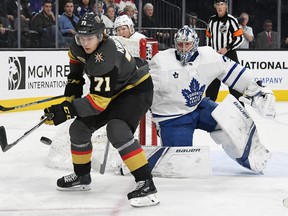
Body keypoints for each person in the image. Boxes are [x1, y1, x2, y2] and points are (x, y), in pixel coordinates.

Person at [41, 12, 159, 208]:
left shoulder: (105, 56)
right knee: (78, 130)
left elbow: (98, 103)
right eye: (81, 38)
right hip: (111, 90)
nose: (85, 43)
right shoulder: (78, 45)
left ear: (101, 36)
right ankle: (82, 176)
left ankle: (147, 184)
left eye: (90, 38)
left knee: (117, 130)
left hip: (135, 89)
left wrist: (67, 110)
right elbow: (75, 66)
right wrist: (71, 91)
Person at [149, 25, 276, 174]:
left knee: (233, 119)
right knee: (180, 165)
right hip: (173, 117)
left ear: (195, 44)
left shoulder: (208, 56)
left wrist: (255, 90)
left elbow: (232, 70)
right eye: (180, 44)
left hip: (198, 107)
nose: (183, 49)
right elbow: (142, 93)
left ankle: (248, 156)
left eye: (187, 44)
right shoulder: (161, 63)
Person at [205, 0, 243, 102]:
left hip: (230, 56)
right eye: (217, 4)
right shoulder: (211, 21)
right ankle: (207, 111)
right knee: (211, 87)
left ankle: (240, 113)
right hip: (215, 57)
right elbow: (208, 38)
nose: (220, 7)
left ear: (226, 6)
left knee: (234, 87)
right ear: (215, 6)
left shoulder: (232, 20)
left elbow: (240, 38)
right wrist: (210, 52)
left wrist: (227, 48)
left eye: (222, 4)